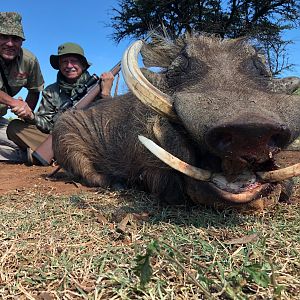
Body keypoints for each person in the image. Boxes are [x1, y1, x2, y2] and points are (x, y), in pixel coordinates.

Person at [7, 42, 114, 164]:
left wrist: (105, 93)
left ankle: (61, 157)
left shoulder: (98, 87)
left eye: (74, 61)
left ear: (83, 65)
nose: (69, 65)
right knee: (14, 127)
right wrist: (31, 116)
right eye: (64, 62)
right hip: (58, 140)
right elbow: (46, 123)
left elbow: (108, 123)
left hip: (88, 141)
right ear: (59, 65)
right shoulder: (50, 91)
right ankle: (64, 157)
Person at [0, 12, 44, 162]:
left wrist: (25, 112)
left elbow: (34, 90)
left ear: (22, 42)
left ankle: (23, 155)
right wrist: (14, 103)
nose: (10, 43)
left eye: (15, 39)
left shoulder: (29, 60)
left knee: (23, 144)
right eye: (4, 37)